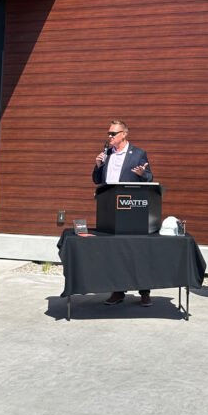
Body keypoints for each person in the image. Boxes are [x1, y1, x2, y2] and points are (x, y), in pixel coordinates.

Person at [92, 119, 153, 306]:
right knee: (114, 252)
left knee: (136, 251)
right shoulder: (106, 154)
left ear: (124, 134)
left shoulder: (138, 154)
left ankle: (144, 293)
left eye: (113, 133)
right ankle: (118, 291)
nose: (109, 136)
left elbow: (150, 178)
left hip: (131, 209)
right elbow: (96, 180)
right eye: (109, 133)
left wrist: (143, 175)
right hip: (109, 210)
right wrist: (98, 165)